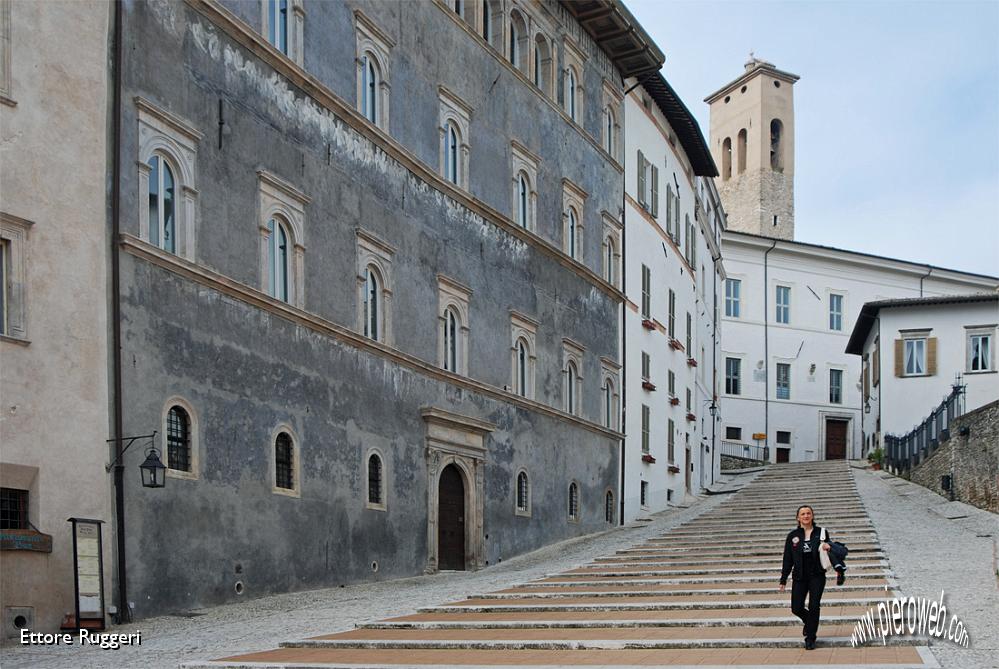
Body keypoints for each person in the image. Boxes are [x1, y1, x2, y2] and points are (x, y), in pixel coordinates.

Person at [778, 505, 832, 650]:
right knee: (796, 608)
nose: (806, 516)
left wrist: (829, 547)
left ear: (812, 516)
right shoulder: (792, 536)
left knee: (814, 606)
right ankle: (809, 623)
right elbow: (787, 558)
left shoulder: (821, 532)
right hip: (800, 576)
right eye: (803, 514)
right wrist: (783, 578)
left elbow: (830, 550)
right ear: (798, 518)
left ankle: (811, 637)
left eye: (808, 513)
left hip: (817, 575)